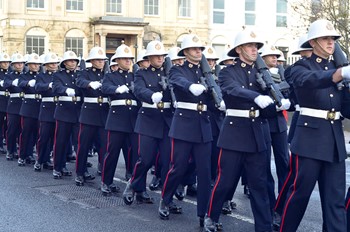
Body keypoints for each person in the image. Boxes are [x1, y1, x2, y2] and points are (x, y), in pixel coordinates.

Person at [204, 29, 280, 232]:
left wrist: (281, 102)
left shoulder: (262, 73)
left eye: (256, 46)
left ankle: (263, 227)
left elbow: (273, 100)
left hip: (258, 134)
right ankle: (211, 215)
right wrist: (255, 97)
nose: (255, 49)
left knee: (260, 185)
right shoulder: (228, 71)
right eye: (250, 46)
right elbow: (231, 89)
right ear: (239, 49)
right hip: (234, 134)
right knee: (225, 182)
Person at [279, 19, 350, 232]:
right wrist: (339, 75)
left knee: (335, 202)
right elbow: (311, 80)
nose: (331, 43)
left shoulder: (337, 68)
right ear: (313, 42)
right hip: (310, 140)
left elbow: (346, 110)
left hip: (334, 142)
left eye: (333, 39)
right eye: (325, 38)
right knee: (299, 196)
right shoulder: (301, 67)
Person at [158, 34, 224, 226]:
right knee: (178, 167)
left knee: (204, 172)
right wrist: (190, 86)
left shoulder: (207, 74)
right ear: (186, 52)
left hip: (203, 126)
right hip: (184, 125)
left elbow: (213, 98)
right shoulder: (178, 70)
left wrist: (219, 102)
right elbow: (176, 81)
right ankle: (166, 198)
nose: (199, 52)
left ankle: (204, 214)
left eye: (200, 49)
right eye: (195, 49)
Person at [123, 40, 173, 205]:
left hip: (167, 121)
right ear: (149, 57)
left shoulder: (170, 72)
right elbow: (138, 89)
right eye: (156, 56)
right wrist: (151, 96)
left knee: (168, 161)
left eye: (162, 55)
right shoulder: (141, 73)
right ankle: (134, 185)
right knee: (145, 159)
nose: (160, 58)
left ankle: (167, 199)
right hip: (148, 119)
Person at [100, 43, 139, 195]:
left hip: (133, 119)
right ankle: (106, 181)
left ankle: (133, 180)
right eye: (124, 58)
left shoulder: (135, 76)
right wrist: (116, 89)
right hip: (117, 119)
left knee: (134, 152)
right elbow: (104, 88)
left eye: (130, 58)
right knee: (112, 153)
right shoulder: (111, 76)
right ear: (117, 60)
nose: (128, 61)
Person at [260, 45, 291, 225]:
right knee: (264, 168)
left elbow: (292, 93)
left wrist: (287, 102)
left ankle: (283, 204)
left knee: (284, 165)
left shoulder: (282, 73)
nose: (274, 58)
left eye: (276, 56)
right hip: (264, 123)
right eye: (270, 56)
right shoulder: (257, 74)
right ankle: (270, 206)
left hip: (279, 125)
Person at [74, 47, 109, 185]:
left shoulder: (108, 74)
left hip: (104, 113)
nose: (101, 62)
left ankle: (104, 172)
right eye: (98, 60)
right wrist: (89, 84)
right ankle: (80, 172)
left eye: (103, 60)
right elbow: (79, 82)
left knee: (104, 146)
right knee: (84, 145)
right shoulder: (85, 73)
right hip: (89, 113)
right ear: (92, 61)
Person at [52, 51, 82, 179]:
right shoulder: (58, 75)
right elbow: (55, 88)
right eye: (70, 60)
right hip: (64, 111)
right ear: (64, 63)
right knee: (61, 141)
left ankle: (81, 170)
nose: (73, 62)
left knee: (79, 142)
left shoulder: (80, 75)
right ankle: (58, 167)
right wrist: (65, 90)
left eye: (75, 60)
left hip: (78, 111)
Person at [34, 52, 60, 171]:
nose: (54, 65)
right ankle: (40, 159)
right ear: (46, 65)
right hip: (47, 109)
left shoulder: (60, 75)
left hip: (59, 108)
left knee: (55, 138)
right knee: (44, 137)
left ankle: (49, 159)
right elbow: (37, 87)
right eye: (51, 63)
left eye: (55, 63)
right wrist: (48, 85)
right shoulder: (41, 76)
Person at [17, 53, 43, 166]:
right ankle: (22, 155)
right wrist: (28, 83)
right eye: (33, 64)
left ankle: (34, 155)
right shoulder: (24, 75)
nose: (36, 66)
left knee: (38, 134)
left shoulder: (42, 76)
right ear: (29, 65)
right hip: (28, 108)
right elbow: (20, 84)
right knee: (26, 133)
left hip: (40, 108)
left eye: (38, 64)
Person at [4, 53, 26, 161]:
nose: (19, 65)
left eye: (21, 63)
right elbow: (5, 84)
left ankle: (23, 151)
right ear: (13, 65)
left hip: (25, 104)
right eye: (17, 63)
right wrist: (13, 82)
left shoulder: (26, 75)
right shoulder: (9, 75)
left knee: (23, 130)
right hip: (14, 105)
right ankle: (10, 150)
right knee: (12, 129)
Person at [0, 52, 11, 155]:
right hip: (1, 100)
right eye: (3, 62)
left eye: (7, 62)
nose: (6, 64)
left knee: (9, 125)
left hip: (9, 100)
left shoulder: (11, 74)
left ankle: (8, 144)